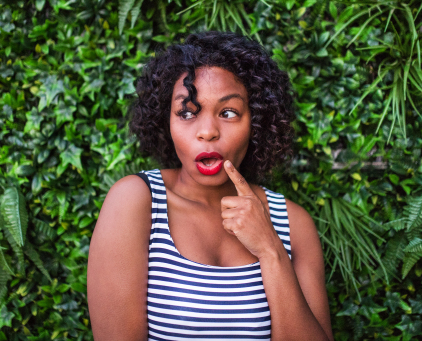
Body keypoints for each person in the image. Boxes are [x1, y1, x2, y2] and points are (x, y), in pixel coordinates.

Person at [87, 31, 333, 340]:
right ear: (167, 123)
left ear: (255, 123)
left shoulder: (293, 223)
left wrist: (270, 250)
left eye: (228, 113)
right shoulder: (136, 202)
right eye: (188, 112)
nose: (207, 132)